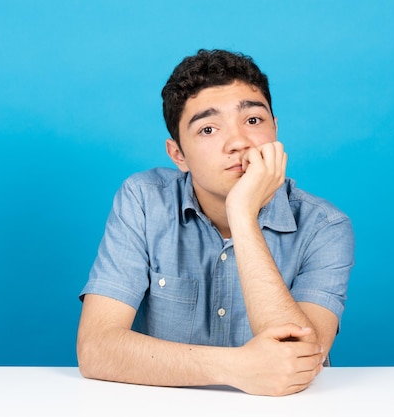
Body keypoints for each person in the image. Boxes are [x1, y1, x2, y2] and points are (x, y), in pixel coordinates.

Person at [76, 49, 355, 397]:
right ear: (178, 154)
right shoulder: (144, 200)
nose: (238, 142)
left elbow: (299, 361)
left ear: (276, 127)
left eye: (253, 121)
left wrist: (242, 214)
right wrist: (237, 367)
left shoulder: (324, 226)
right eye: (208, 129)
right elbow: (96, 349)